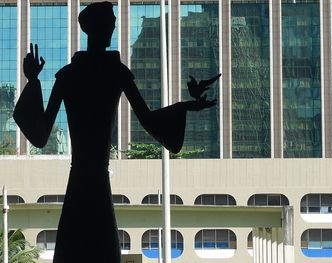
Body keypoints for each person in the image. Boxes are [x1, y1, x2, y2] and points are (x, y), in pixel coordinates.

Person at [13, 2, 219, 262]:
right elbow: (149, 121)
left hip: (78, 183)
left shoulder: (67, 75)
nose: (113, 26)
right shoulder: (116, 72)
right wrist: (186, 107)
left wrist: (33, 82)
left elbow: (40, 135)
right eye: (110, 22)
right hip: (98, 183)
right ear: (100, 27)